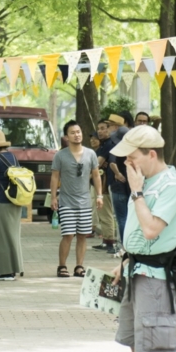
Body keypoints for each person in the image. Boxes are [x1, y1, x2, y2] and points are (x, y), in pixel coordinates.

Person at [102, 125, 176, 352]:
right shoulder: (148, 181)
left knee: (164, 347)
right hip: (136, 270)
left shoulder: (171, 186)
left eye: (132, 158)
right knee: (138, 345)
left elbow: (152, 229)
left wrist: (136, 192)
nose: (127, 164)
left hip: (157, 277)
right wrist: (124, 260)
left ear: (152, 155)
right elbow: (139, 233)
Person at [50, 120, 102, 279]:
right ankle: (62, 266)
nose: (76, 135)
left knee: (82, 235)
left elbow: (96, 175)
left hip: (85, 201)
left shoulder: (90, 154)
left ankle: (79, 266)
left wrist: (99, 195)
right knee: (68, 234)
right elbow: (55, 176)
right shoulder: (60, 155)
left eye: (78, 132)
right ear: (66, 136)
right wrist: (53, 197)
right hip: (66, 201)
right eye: (72, 132)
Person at [0, 129, 23, 280]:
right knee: (12, 236)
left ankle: (4, 272)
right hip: (16, 202)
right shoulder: (13, 157)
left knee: (0, 238)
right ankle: (14, 268)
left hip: (2, 203)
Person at [106, 113, 133, 243]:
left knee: (121, 218)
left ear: (116, 127)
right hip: (132, 186)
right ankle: (130, 245)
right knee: (130, 218)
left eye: (110, 125)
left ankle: (124, 246)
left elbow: (112, 162)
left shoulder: (115, 145)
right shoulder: (133, 148)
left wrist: (117, 173)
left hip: (118, 186)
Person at [93, 120, 118, 254]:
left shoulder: (109, 144)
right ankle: (106, 241)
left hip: (106, 182)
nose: (100, 131)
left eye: (103, 128)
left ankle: (110, 241)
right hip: (103, 183)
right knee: (102, 212)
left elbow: (97, 163)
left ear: (110, 129)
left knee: (106, 212)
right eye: (99, 129)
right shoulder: (103, 145)